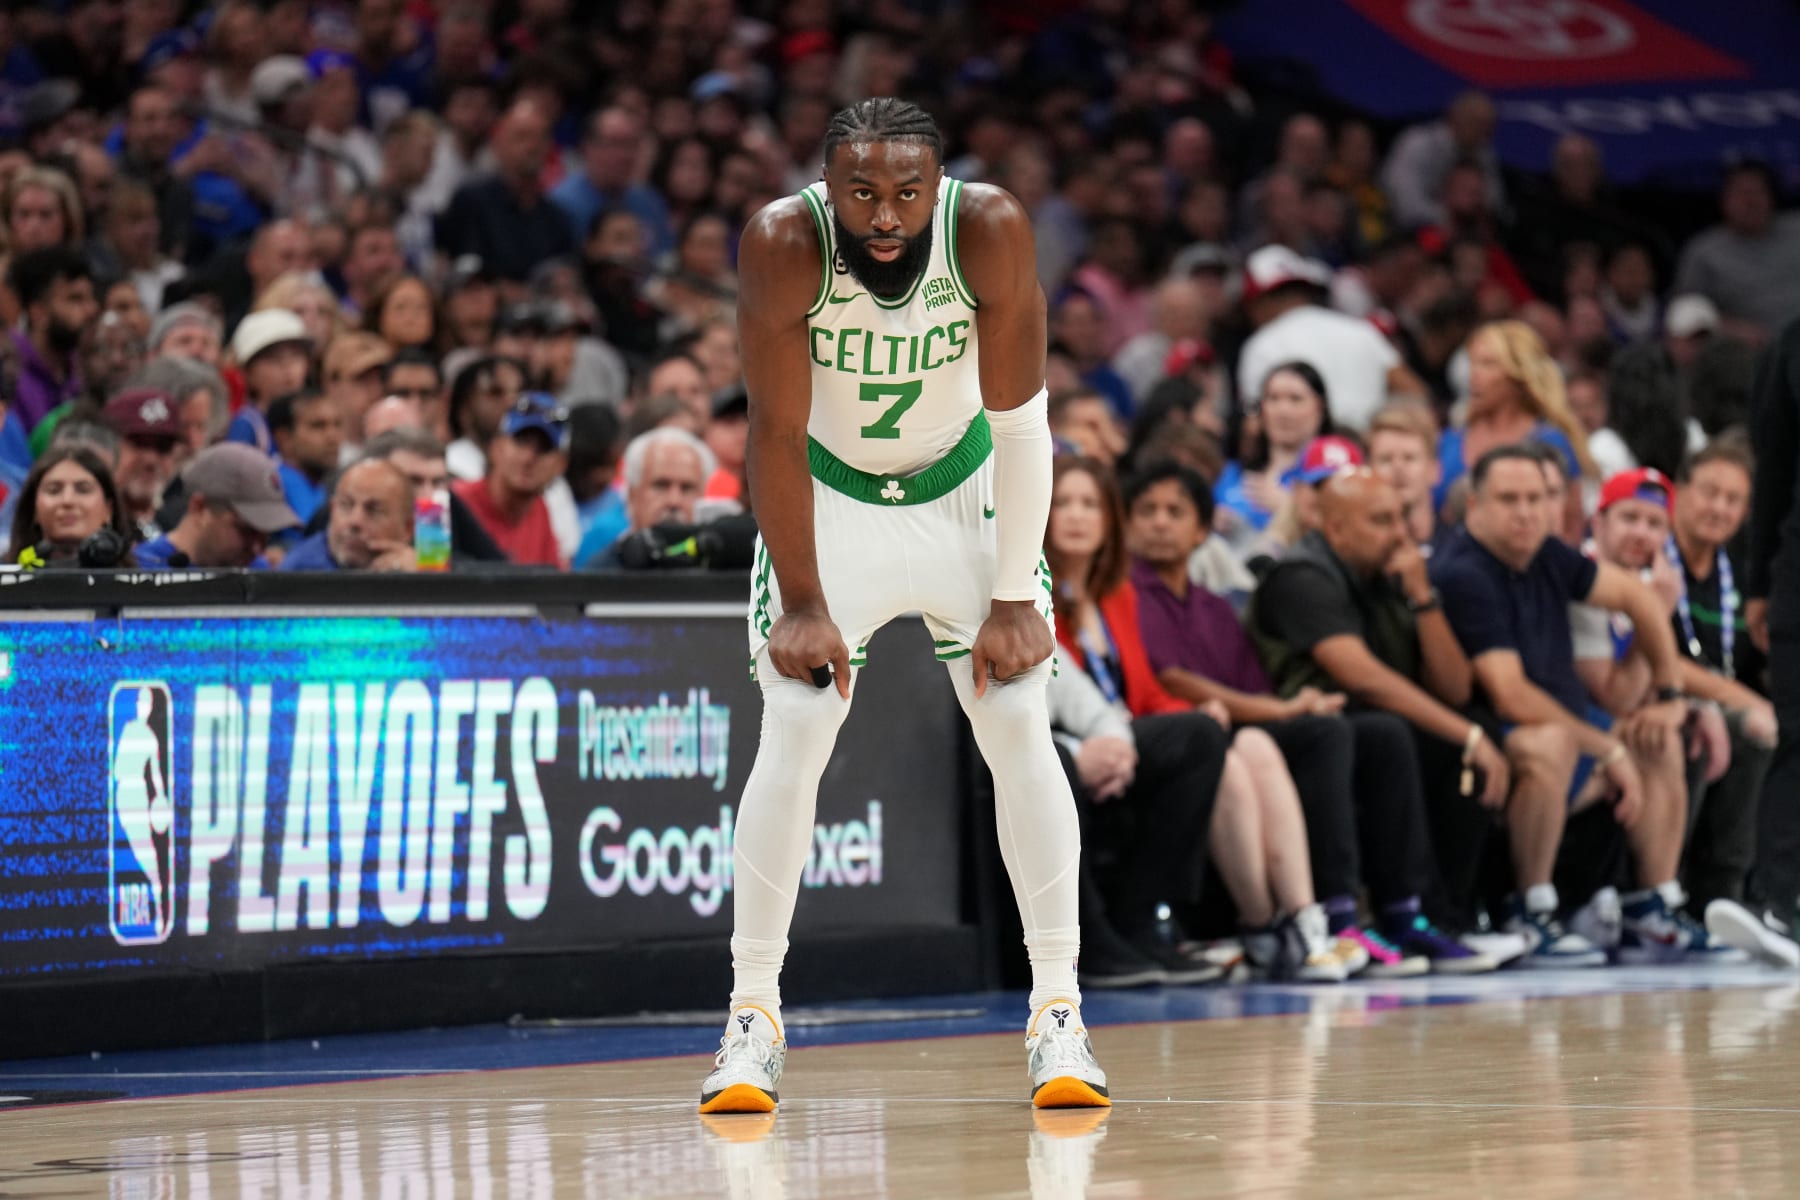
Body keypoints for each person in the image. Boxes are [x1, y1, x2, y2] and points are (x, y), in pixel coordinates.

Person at [701, 99, 1107, 1115]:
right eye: (862, 193)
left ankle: (1058, 1012)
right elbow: (776, 436)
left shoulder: (992, 230)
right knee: (792, 731)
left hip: (964, 491)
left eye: (907, 193)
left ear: (939, 187)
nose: (886, 216)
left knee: (1020, 724)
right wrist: (800, 600)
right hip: (834, 499)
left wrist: (1016, 590)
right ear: (829, 188)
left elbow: (1022, 428)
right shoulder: (783, 244)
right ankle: (752, 1017)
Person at [1128, 461, 1494, 973]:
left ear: (1202, 529)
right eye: (1147, 512)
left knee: (1384, 733)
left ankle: (1404, 915)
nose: (1161, 523)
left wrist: (1421, 595)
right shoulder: (1133, 594)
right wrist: (1285, 709)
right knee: (1327, 733)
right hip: (1188, 732)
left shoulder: (1211, 604)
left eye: (1175, 512)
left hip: (1245, 719)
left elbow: (1454, 690)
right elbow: (1173, 681)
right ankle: (1334, 915)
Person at [1048, 458, 1365, 985]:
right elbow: (1062, 691)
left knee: (1228, 740)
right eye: (1063, 503)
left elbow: (1146, 691)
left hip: (1120, 732)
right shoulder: (1030, 593)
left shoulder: (1115, 595)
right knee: (1202, 736)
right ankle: (1261, 923)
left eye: (1090, 504)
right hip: (1075, 740)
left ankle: (1287, 923)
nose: (1077, 516)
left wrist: (1185, 716)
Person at [1431, 447, 1698, 962]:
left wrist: (1671, 696)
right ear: (1474, 508)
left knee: (1655, 734)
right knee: (1554, 741)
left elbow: (1642, 600)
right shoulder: (1464, 572)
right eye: (1509, 499)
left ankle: (1651, 905)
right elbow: (1509, 695)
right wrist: (1604, 747)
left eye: (1537, 498)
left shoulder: (1546, 554)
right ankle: (1530, 908)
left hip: (1568, 730)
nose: (1526, 511)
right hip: (1498, 742)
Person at [1569, 466, 1765, 955]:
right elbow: (1609, 694)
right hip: (1571, 719)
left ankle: (1660, 903)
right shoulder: (1584, 580)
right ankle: (1642, 902)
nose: (1642, 533)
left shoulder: (1648, 582)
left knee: (1686, 730)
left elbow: (1663, 683)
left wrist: (1688, 706)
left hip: (1609, 719)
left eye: (1655, 524)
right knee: (1657, 740)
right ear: (1599, 523)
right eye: (1630, 518)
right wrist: (1652, 612)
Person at [1718, 319, 1800, 965]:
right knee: (1795, 737)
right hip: (1798, 571)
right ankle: (1779, 903)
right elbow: (1774, 466)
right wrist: (1759, 582)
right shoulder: (1790, 342)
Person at [1234, 245, 1424, 434]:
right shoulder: (1360, 330)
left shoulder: (1261, 345)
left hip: (1306, 457)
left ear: (1259, 303)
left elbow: (1254, 423)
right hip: (1365, 451)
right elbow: (1415, 392)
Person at [1435, 320, 1593, 532]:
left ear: (1517, 374)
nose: (1474, 375)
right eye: (1473, 363)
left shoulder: (1549, 442)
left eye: (1488, 364)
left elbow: (1572, 525)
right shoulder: (1449, 440)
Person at [1212, 361, 1333, 546]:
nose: (1283, 411)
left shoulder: (1331, 474)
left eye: (1295, 399)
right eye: (1273, 398)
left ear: (1320, 407)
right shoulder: (1232, 473)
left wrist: (1289, 510)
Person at [135, 442, 301, 569]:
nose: (258, 548)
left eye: (265, 535)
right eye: (246, 531)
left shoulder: (257, 570)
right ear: (199, 509)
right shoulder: (140, 572)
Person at [449, 391, 567, 568]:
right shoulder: (456, 502)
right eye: (521, 442)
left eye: (543, 448)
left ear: (560, 465)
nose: (529, 458)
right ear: (497, 447)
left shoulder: (539, 510)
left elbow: (554, 585)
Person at [280, 458, 418, 572]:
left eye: (373, 510)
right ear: (332, 509)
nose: (355, 521)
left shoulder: (420, 565)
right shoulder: (301, 572)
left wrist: (420, 580)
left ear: (408, 528)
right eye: (346, 506)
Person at [8, 446, 135, 568]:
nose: (67, 501)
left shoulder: (139, 584)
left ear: (108, 509)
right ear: (33, 509)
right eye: (54, 490)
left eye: (83, 490)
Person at [100, 386, 183, 541]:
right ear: (107, 447)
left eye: (163, 447)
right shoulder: (90, 527)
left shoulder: (181, 523)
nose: (151, 460)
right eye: (139, 443)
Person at [225, 309, 311, 456]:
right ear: (247, 372)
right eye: (274, 359)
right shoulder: (247, 425)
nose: (288, 367)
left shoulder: (318, 418)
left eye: (296, 356)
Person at [1365, 404, 1448, 556]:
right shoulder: (1358, 557)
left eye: (1410, 458)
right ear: (1368, 471)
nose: (1398, 468)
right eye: (1386, 459)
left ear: (1434, 471)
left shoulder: (1462, 553)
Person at [270, 389, 345, 526]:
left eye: (337, 424)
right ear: (285, 438)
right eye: (318, 426)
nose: (333, 437)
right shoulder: (275, 486)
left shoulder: (322, 486)